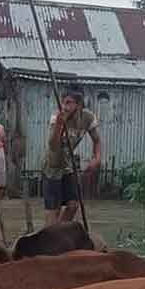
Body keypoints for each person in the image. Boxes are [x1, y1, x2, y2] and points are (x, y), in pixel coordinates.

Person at [43, 85, 102, 226]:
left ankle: (59, 233)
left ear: (79, 104)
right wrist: (59, 125)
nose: (64, 106)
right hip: (53, 166)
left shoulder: (87, 118)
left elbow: (97, 140)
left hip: (68, 166)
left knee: (73, 205)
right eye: (63, 102)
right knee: (54, 210)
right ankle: (51, 235)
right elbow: (52, 145)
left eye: (69, 102)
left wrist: (97, 158)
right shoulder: (57, 117)